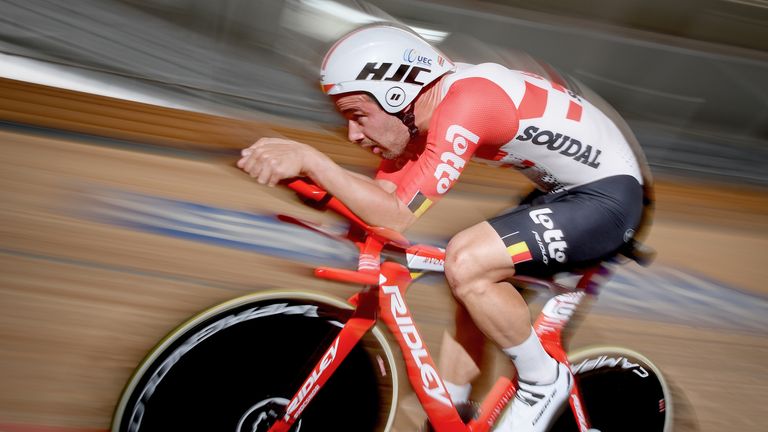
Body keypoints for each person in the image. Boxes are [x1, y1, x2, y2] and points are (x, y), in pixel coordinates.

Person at [237, 22, 652, 432]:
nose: (353, 134)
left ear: (396, 95)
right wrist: (308, 186)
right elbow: (376, 202)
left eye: (357, 115)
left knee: (467, 260)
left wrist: (312, 160)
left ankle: (543, 381)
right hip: (566, 193)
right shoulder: (417, 118)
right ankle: (452, 417)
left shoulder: (467, 104)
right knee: (470, 289)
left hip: (611, 199)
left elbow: (395, 214)